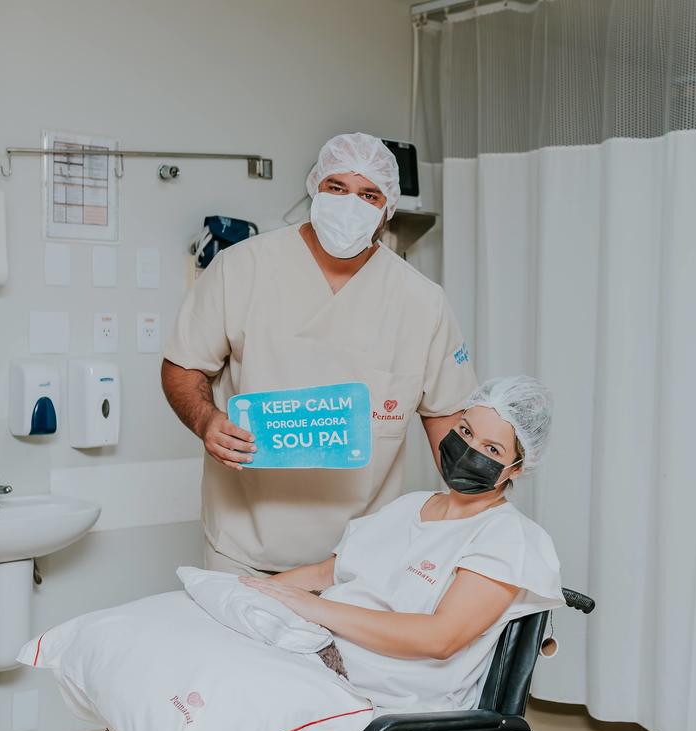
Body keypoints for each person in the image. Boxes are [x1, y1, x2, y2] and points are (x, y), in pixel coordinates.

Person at [162, 132, 478, 576]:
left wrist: (480, 513)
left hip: (361, 556)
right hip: (243, 546)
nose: (351, 204)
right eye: (337, 188)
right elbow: (183, 366)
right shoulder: (241, 268)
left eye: (369, 194)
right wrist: (205, 419)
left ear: (388, 209)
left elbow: (447, 417)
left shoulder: (422, 301)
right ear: (314, 189)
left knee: (345, 649)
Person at [240, 376, 563, 731]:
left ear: (517, 467)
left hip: (389, 706)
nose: (468, 451)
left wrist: (316, 610)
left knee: (239, 715)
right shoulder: (409, 506)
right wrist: (249, 592)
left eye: (491, 448)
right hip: (321, 662)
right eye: (465, 431)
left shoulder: (507, 537)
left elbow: (440, 638)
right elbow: (327, 571)